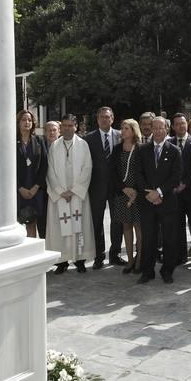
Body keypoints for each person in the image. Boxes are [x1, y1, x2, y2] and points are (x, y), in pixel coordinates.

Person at [134, 116, 180, 283]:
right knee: (148, 238)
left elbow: (176, 177)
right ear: (151, 130)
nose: (159, 131)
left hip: (167, 202)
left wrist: (159, 193)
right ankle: (147, 271)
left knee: (169, 238)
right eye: (155, 128)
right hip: (147, 202)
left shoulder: (174, 150)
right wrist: (149, 194)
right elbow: (138, 174)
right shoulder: (142, 149)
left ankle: (167, 271)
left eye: (162, 128)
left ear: (167, 130)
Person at [45, 115, 94, 274]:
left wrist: (74, 190)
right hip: (60, 196)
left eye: (70, 125)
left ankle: (79, 259)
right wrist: (60, 191)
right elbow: (50, 171)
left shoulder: (83, 145)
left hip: (77, 195)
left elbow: (87, 169)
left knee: (79, 228)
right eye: (64, 125)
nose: (67, 128)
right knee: (60, 228)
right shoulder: (54, 146)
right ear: (61, 127)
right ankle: (62, 260)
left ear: (75, 126)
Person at [83, 107, 124, 268]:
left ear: (112, 119)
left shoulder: (120, 136)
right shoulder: (89, 138)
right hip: (96, 186)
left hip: (116, 186)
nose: (104, 120)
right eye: (101, 117)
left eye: (107, 117)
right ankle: (99, 256)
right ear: (97, 119)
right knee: (96, 222)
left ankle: (115, 254)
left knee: (117, 221)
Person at [113, 119, 143, 274]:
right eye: (122, 128)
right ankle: (129, 259)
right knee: (126, 226)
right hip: (123, 193)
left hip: (138, 195)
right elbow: (113, 172)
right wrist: (124, 189)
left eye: (126, 128)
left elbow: (145, 172)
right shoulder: (117, 149)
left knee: (139, 226)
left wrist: (136, 191)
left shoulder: (141, 148)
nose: (123, 131)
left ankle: (139, 259)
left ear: (133, 131)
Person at [170, 113, 191, 263]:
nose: (181, 126)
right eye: (178, 124)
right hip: (174, 193)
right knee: (177, 224)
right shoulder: (169, 143)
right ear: (173, 127)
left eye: (183, 123)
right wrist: (174, 185)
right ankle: (180, 255)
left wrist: (185, 183)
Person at [16, 110, 48, 238]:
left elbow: (44, 166)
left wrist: (36, 187)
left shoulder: (39, 141)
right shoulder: (11, 142)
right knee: (16, 224)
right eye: (24, 120)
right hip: (18, 191)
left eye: (29, 120)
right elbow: (7, 167)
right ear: (18, 122)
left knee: (32, 223)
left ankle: (30, 253)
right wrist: (19, 188)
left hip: (35, 190)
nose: (27, 122)